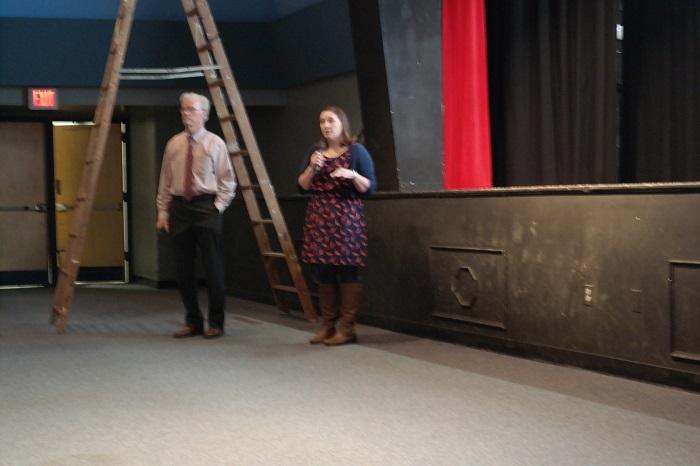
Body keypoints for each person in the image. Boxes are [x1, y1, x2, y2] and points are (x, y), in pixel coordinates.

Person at [156, 92, 236, 339]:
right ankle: (193, 321)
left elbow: (227, 180)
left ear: (205, 114)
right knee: (183, 270)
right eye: (183, 109)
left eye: (191, 110)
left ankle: (216, 323)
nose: (185, 114)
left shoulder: (215, 143)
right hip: (180, 209)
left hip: (206, 207)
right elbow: (165, 181)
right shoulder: (173, 144)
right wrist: (162, 211)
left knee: (213, 270)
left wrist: (217, 208)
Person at [297, 106, 377, 346]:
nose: (326, 125)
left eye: (330, 120)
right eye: (322, 121)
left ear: (342, 123)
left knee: (347, 271)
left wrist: (352, 175)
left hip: (346, 216)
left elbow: (370, 187)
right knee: (324, 271)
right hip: (320, 216)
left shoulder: (356, 151)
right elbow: (301, 186)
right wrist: (312, 166)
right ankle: (327, 325)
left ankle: (347, 328)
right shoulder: (315, 151)